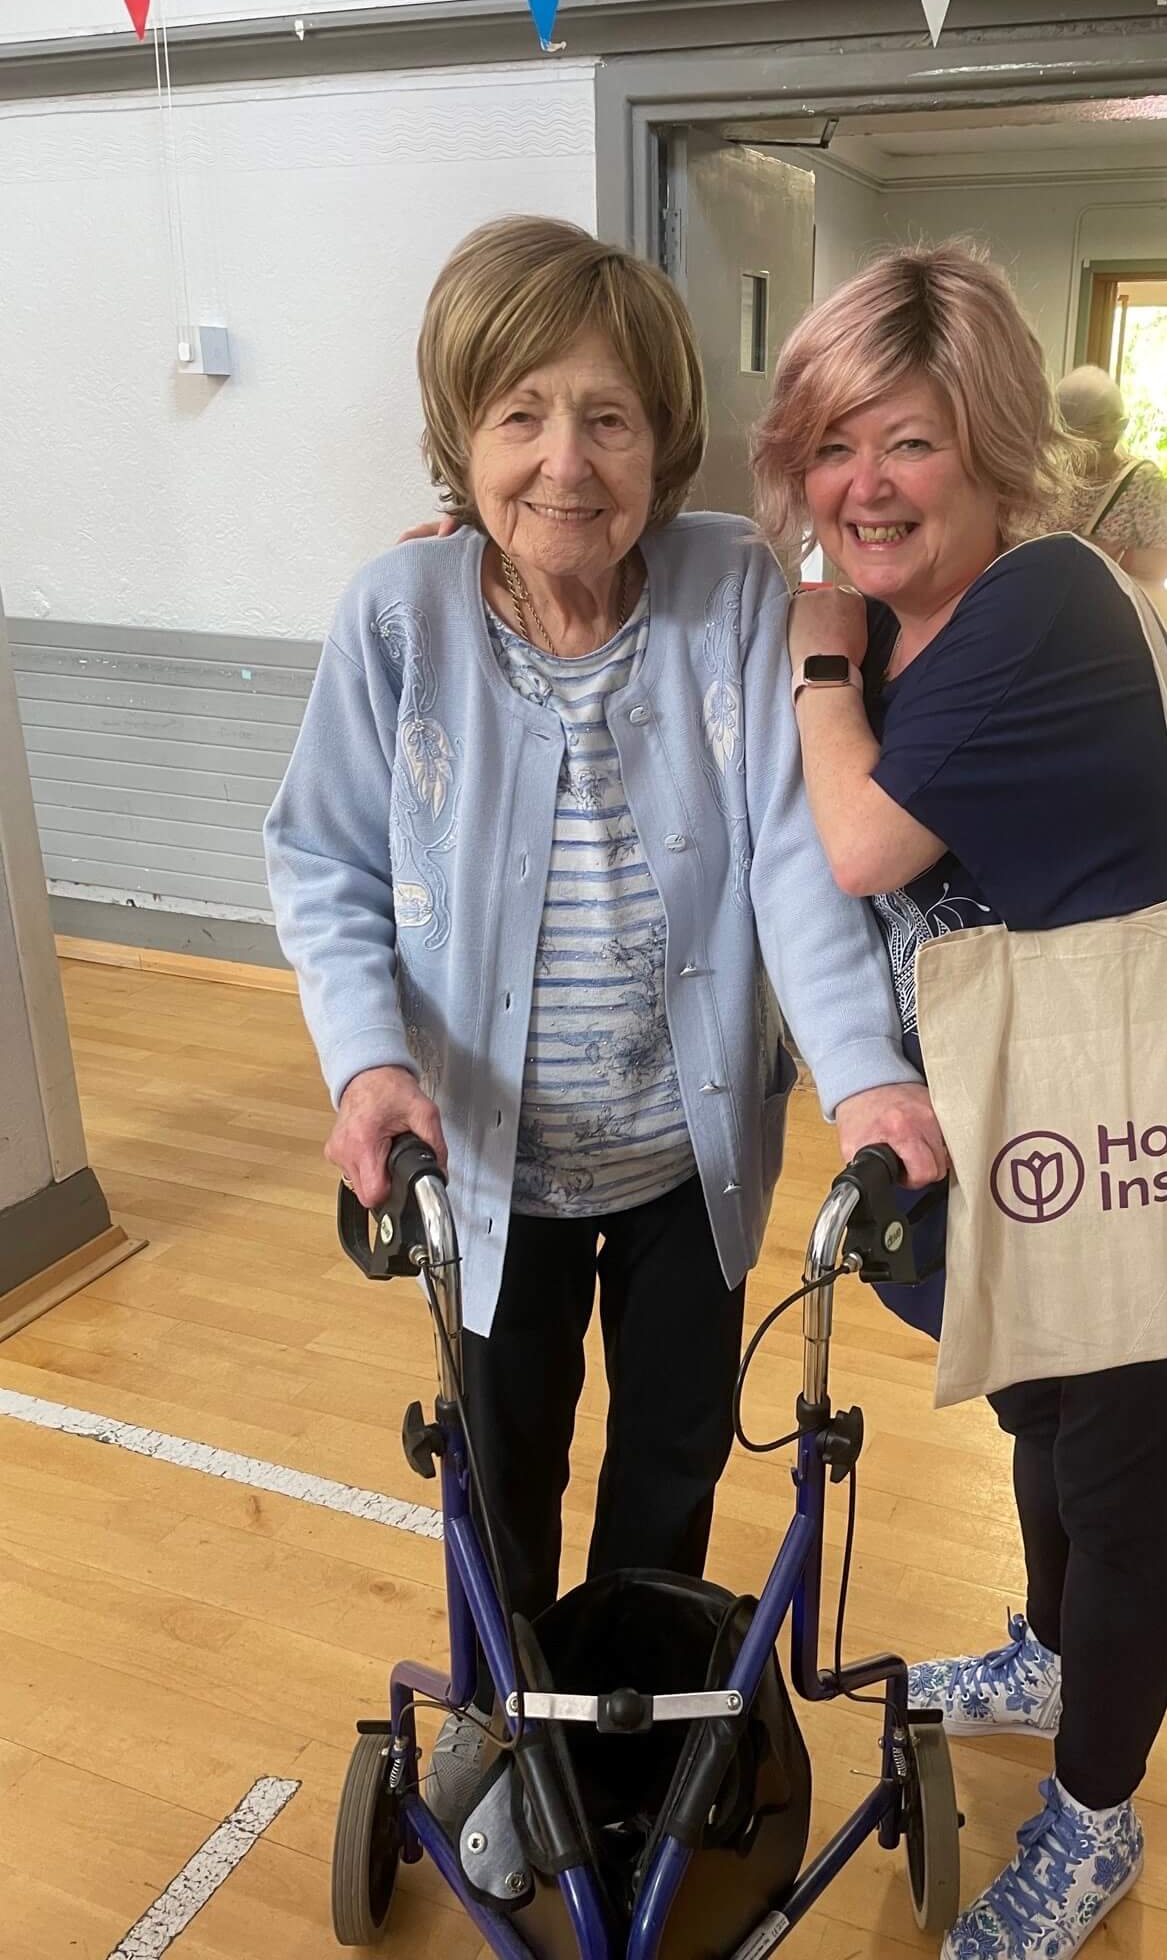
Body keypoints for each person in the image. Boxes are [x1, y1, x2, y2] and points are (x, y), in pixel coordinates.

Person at [264, 218, 944, 1680]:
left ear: (663, 442)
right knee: (497, 1482)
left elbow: (792, 865)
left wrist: (867, 1082)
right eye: (520, 414)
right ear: (462, 434)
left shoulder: (734, 593)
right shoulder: (398, 615)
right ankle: (506, 1734)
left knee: (670, 1479)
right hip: (487, 1174)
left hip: (683, 1172)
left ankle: (631, 1739)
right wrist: (366, 1066)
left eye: (608, 418)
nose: (564, 462)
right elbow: (321, 858)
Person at [752, 245, 1167, 1960]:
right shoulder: (915, 616)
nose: (861, 489)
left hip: (1138, 1144)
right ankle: (1041, 1657)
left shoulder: (1034, 600)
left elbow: (863, 842)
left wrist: (818, 661)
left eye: (907, 443)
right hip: (1018, 1128)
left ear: (993, 443)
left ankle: (1093, 1820)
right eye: (830, 447)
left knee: (1123, 1495)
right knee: (1046, 1428)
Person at [1056, 362, 1167, 656]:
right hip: (1062, 630)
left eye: (1114, 424)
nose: (1106, 435)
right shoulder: (1050, 477)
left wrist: (1109, 555)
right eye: (1077, 437)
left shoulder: (1144, 481)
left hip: (1124, 638)